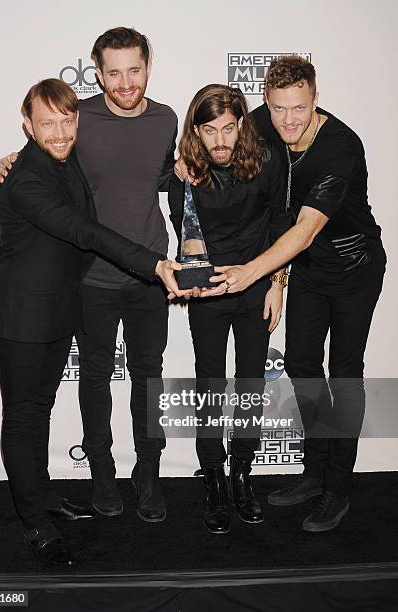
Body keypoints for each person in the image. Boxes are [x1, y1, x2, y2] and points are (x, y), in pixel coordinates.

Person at [0, 78, 183, 565]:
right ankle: (34, 522)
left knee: (43, 413)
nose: (58, 131)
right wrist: (153, 263)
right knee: (23, 419)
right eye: (46, 123)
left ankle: (45, 496)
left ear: (77, 121)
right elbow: (84, 230)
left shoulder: (63, 158)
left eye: (66, 120)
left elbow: (125, 177)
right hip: (22, 318)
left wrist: (178, 169)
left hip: (57, 312)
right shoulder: (26, 178)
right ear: (26, 125)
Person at [201, 56, 386, 532]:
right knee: (303, 365)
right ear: (267, 100)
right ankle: (314, 472)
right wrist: (181, 161)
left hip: (353, 267)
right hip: (305, 269)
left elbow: (303, 229)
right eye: (279, 108)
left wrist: (254, 274)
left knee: (344, 375)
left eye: (299, 109)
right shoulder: (263, 122)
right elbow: (206, 139)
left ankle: (337, 489)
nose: (288, 120)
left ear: (315, 99)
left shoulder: (341, 147)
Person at [170, 84, 291, 534]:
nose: (220, 140)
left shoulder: (266, 159)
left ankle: (242, 472)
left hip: (257, 285)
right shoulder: (183, 174)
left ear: (241, 124)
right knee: (209, 384)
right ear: (196, 132)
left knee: (252, 382)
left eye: (228, 128)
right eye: (209, 131)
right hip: (208, 293)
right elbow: (183, 236)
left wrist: (278, 282)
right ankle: (214, 476)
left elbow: (281, 221)